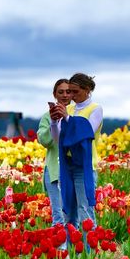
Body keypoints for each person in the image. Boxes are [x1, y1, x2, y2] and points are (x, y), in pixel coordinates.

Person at [50, 73, 102, 244]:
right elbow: (58, 139)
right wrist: (54, 122)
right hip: (68, 165)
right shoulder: (70, 109)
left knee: (85, 211)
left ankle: (89, 253)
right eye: (69, 91)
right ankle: (71, 253)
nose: (71, 95)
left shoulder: (95, 109)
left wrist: (66, 118)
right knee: (68, 213)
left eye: (75, 91)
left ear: (87, 90)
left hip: (84, 166)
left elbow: (86, 132)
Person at [37, 78, 71, 227]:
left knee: (72, 216)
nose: (65, 95)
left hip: (74, 170)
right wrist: (53, 122)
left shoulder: (77, 114)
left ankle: (71, 242)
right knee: (59, 216)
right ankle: (59, 242)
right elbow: (45, 140)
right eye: (61, 92)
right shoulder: (47, 116)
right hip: (54, 170)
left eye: (68, 92)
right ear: (54, 95)